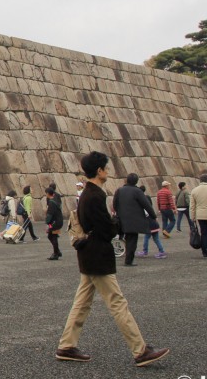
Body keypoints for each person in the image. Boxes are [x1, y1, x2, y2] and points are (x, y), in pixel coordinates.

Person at [55, 151, 169, 367]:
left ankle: (67, 345)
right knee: (117, 303)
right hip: (98, 256)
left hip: (88, 255)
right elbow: (105, 230)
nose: (108, 171)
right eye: (106, 168)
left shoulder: (87, 194)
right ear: (99, 170)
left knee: (82, 302)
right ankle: (140, 350)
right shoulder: (95, 195)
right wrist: (117, 223)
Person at [112, 173, 154, 267]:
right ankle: (128, 260)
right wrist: (153, 215)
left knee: (127, 238)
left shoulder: (119, 190)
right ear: (136, 181)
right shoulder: (137, 191)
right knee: (132, 240)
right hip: (134, 220)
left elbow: (115, 204)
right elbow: (146, 204)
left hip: (122, 219)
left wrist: (120, 212)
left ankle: (126, 257)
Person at [45, 186, 64, 260]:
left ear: (47, 193)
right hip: (58, 221)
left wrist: (47, 223)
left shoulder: (51, 203)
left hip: (55, 223)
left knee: (53, 236)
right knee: (52, 236)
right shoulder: (55, 200)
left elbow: (50, 215)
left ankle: (56, 253)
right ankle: (57, 252)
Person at [191, 173, 207, 257]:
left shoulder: (194, 190)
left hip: (200, 215)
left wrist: (192, 217)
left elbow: (192, 206)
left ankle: (204, 251)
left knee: (204, 232)